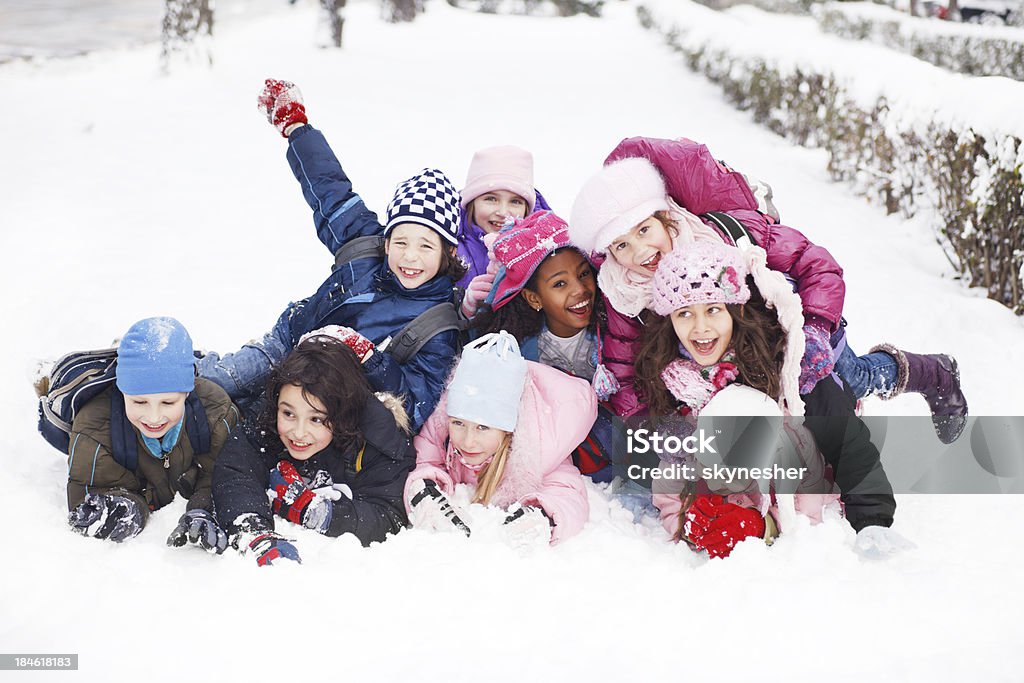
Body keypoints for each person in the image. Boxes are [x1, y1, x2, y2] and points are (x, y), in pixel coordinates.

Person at [570, 138, 967, 444]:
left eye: (644, 230)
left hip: (797, 333)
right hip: (729, 355)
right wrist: (651, 429)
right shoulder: (624, 292)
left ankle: (935, 373)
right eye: (621, 245)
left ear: (665, 216)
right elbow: (623, 369)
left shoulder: (727, 236)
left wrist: (814, 330)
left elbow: (817, 265)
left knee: (856, 379)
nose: (640, 252)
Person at [198, 79, 464, 432]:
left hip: (325, 397)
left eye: (426, 246)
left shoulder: (437, 325)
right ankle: (151, 367)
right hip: (287, 345)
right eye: (401, 242)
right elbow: (330, 188)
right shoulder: (364, 243)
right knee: (210, 386)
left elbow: (415, 403)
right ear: (387, 241)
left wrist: (372, 361)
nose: (410, 257)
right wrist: (297, 128)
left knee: (240, 427)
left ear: (447, 252)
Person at [635, 242, 901, 556]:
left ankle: (920, 371)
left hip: (814, 468)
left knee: (855, 381)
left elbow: (847, 446)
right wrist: (695, 523)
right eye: (684, 313)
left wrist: (872, 520)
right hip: (745, 488)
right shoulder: (675, 382)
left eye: (713, 309)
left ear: (737, 310)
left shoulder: (791, 368)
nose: (700, 327)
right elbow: (672, 485)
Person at [212, 330, 416, 566]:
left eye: (316, 419)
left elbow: (388, 514)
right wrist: (253, 528)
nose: (298, 433)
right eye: (288, 413)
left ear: (342, 413)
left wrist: (319, 512)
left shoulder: (378, 438)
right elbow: (236, 469)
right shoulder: (267, 418)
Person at [66, 317, 240, 551]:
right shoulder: (94, 430)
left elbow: (229, 474)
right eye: (139, 401)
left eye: (168, 402)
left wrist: (202, 507)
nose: (154, 417)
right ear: (122, 390)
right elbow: (89, 489)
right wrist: (125, 507)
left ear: (188, 393)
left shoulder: (215, 413)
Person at [405, 332, 594, 546]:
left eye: (483, 428)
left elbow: (567, 495)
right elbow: (424, 460)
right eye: (459, 423)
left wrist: (542, 518)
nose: (468, 441)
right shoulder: (442, 429)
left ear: (508, 430)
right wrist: (424, 490)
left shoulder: (539, 449)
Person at [456, 145, 552, 291]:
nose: (503, 212)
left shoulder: (545, 249)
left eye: (515, 201)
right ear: (471, 202)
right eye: (491, 199)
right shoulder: (447, 248)